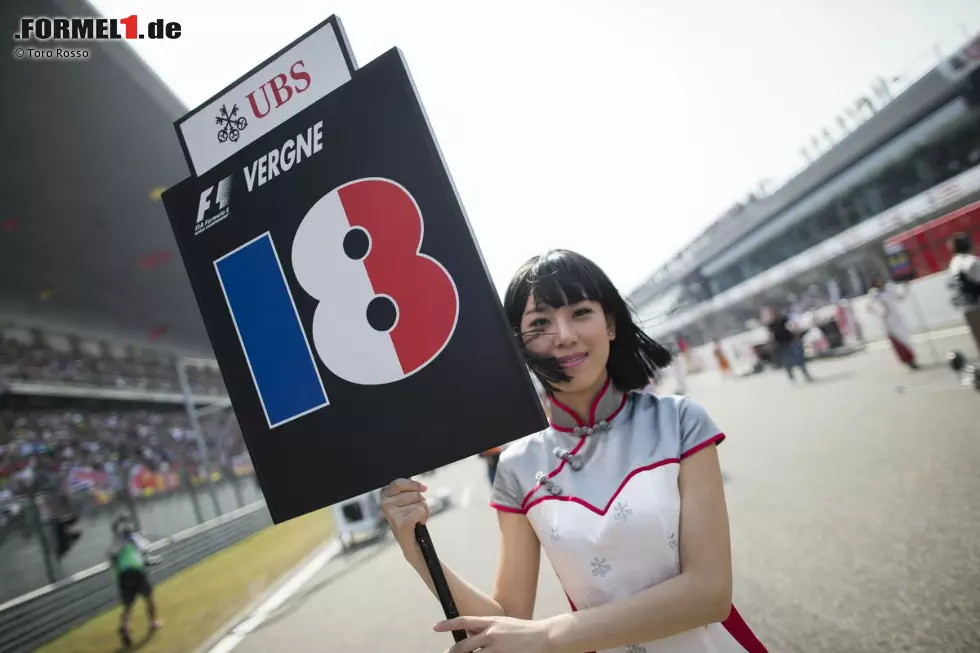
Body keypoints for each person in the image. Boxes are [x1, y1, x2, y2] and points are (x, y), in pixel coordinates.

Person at [381, 250, 767, 653]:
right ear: (519, 344)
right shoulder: (516, 466)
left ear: (611, 323)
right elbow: (508, 619)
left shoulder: (679, 421)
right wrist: (415, 547)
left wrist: (549, 635)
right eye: (541, 323)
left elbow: (709, 594)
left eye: (581, 312)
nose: (564, 334)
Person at [108, 514, 162, 648]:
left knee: (128, 606)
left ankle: (124, 626)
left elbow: (112, 558)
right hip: (137, 573)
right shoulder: (134, 540)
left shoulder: (117, 543)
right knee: (149, 598)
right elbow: (145, 549)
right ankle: (153, 622)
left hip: (123, 576)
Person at [866, 274, 919, 370]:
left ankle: (912, 358)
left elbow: (900, 298)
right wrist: (880, 313)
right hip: (887, 320)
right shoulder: (874, 294)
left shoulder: (889, 288)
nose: (880, 281)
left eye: (880, 279)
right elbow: (868, 307)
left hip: (897, 317)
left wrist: (905, 288)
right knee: (897, 341)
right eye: (877, 280)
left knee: (905, 338)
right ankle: (908, 361)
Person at [761, 306, 813, 383]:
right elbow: (770, 335)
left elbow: (791, 326)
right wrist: (771, 343)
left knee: (798, 359)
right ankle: (792, 378)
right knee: (787, 362)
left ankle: (805, 375)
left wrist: (796, 334)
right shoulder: (770, 324)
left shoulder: (782, 319)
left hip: (789, 340)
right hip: (780, 343)